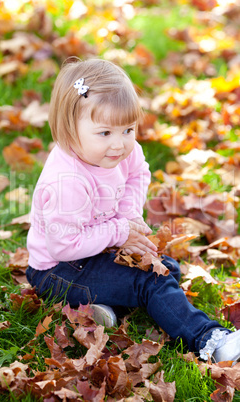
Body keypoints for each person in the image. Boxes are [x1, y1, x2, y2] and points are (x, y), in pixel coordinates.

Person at [26, 58, 240, 364]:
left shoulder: (123, 149)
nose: (120, 144)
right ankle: (211, 340)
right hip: (57, 270)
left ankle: (106, 309)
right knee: (150, 281)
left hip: (97, 248)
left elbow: (139, 173)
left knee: (167, 269)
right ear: (70, 129)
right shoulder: (67, 182)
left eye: (128, 129)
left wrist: (126, 216)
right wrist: (120, 231)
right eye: (105, 133)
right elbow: (64, 245)